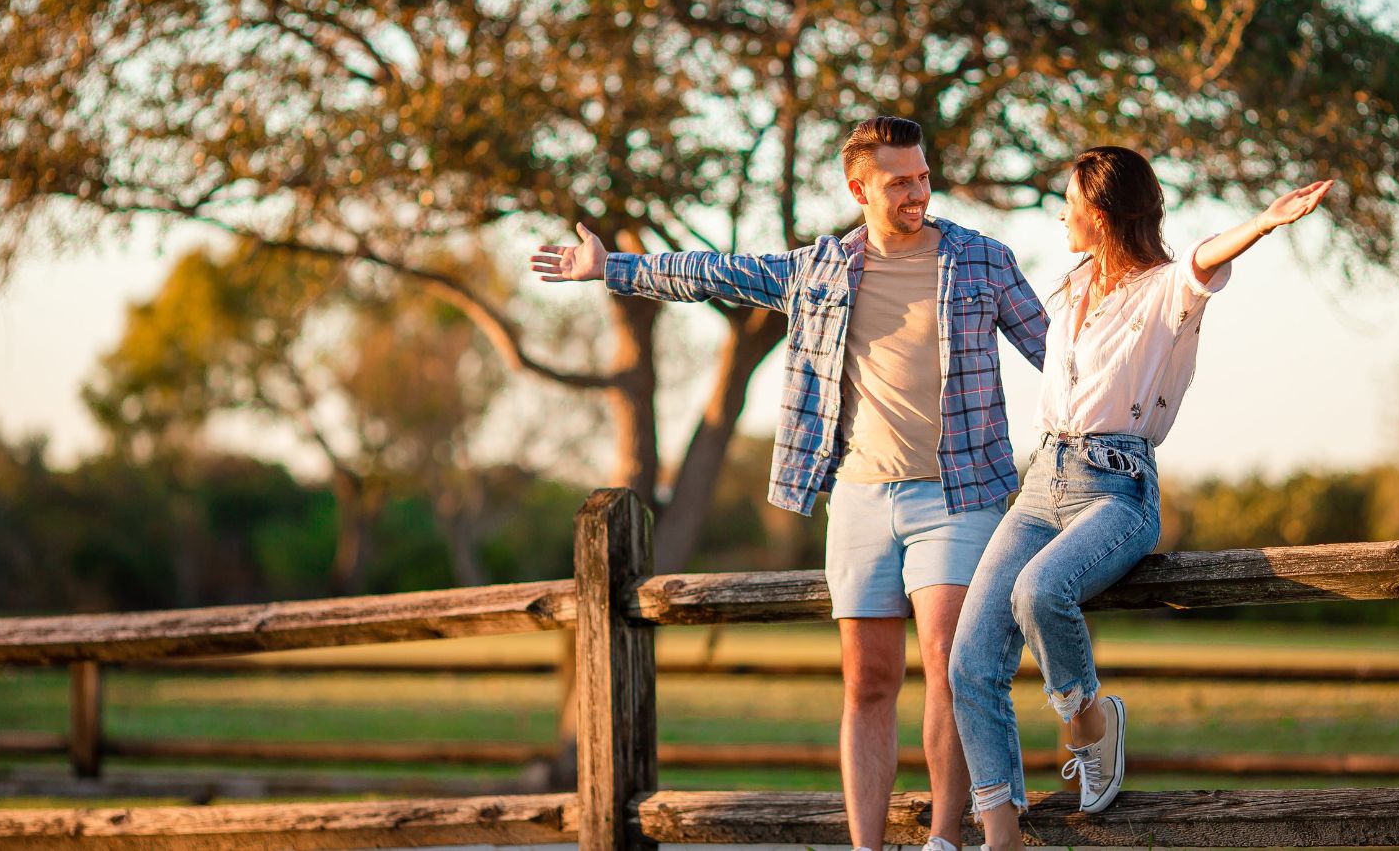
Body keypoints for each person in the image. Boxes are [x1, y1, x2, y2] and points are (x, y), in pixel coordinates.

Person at [532, 116, 1050, 851]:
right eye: (900, 181)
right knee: (868, 680)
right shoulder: (822, 269)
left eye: (923, 177)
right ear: (859, 188)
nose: (918, 192)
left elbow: (1059, 354)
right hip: (861, 498)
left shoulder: (981, 261)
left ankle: (944, 839)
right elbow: (714, 271)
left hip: (958, 494)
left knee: (945, 660)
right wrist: (609, 267)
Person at [948, 146, 1331, 843]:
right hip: (1042, 480)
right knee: (969, 662)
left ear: (1098, 215)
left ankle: (1091, 725)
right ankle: (1000, 836)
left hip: (1115, 488)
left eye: (1069, 205)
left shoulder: (1164, 292)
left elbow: (1204, 258)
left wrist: (1266, 221)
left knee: (1038, 592)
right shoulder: (1069, 287)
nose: (1059, 215)